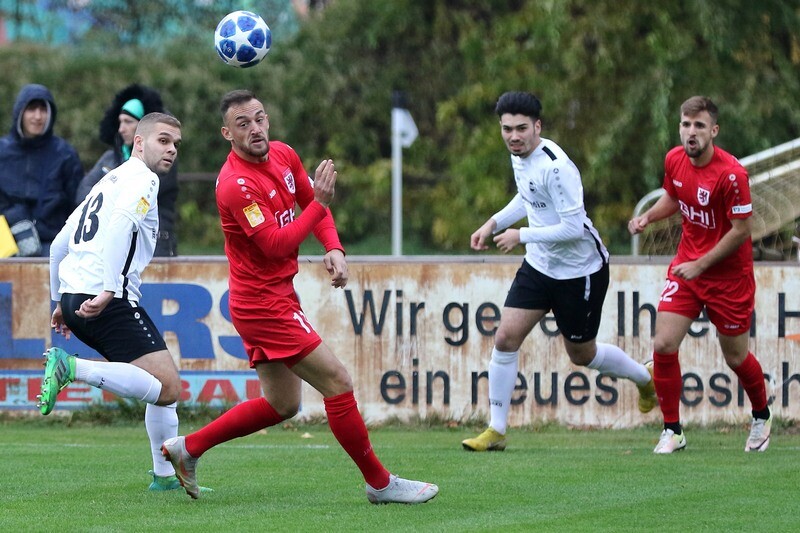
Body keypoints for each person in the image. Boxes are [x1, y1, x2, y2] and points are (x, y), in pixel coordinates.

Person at [161, 89, 438, 505]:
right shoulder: (236, 185)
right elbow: (276, 244)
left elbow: (310, 204)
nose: (255, 129)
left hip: (275, 296)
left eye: (259, 119)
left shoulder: (284, 154)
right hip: (262, 305)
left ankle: (189, 448)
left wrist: (334, 246)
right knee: (337, 381)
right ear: (227, 133)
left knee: (282, 404)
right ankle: (380, 484)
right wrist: (319, 207)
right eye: (243, 124)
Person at [462, 91, 657, 452]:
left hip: (580, 272)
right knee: (505, 338)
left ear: (537, 127)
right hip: (540, 265)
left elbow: (574, 228)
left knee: (581, 356)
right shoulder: (519, 157)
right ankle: (496, 430)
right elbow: (528, 196)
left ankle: (645, 377)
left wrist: (521, 235)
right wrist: (493, 223)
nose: (514, 136)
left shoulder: (557, 167)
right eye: (507, 129)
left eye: (521, 129)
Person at [39, 112, 206, 493]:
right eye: (163, 140)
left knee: (162, 387)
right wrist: (110, 289)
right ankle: (71, 368)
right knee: (168, 388)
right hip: (106, 298)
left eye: (176, 144)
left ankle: (164, 478)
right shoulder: (144, 178)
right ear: (139, 143)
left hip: (76, 296)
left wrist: (59, 301)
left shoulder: (108, 180)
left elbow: (59, 245)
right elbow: (119, 226)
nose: (172, 149)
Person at [629, 96, 771, 454]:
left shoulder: (732, 175)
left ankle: (761, 414)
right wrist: (649, 217)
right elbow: (674, 196)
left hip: (728, 277)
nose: (691, 132)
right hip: (687, 267)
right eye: (686, 124)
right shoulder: (674, 159)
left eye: (699, 126)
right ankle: (673, 430)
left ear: (714, 131)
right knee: (663, 344)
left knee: (735, 357)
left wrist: (702, 264)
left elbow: (741, 230)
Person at [77, 84, 180, 257]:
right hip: (114, 245)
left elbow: (138, 196)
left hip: (154, 246)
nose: (121, 129)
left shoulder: (163, 159)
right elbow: (84, 192)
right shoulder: (108, 158)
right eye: (120, 122)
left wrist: (105, 197)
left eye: (128, 122)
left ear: (144, 127)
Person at [0, 84, 83, 256]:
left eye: (43, 109)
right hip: (5, 240)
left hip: (51, 243)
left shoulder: (65, 154)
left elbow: (77, 205)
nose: (38, 116)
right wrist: (14, 216)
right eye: (31, 109)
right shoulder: (2, 151)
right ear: (20, 112)